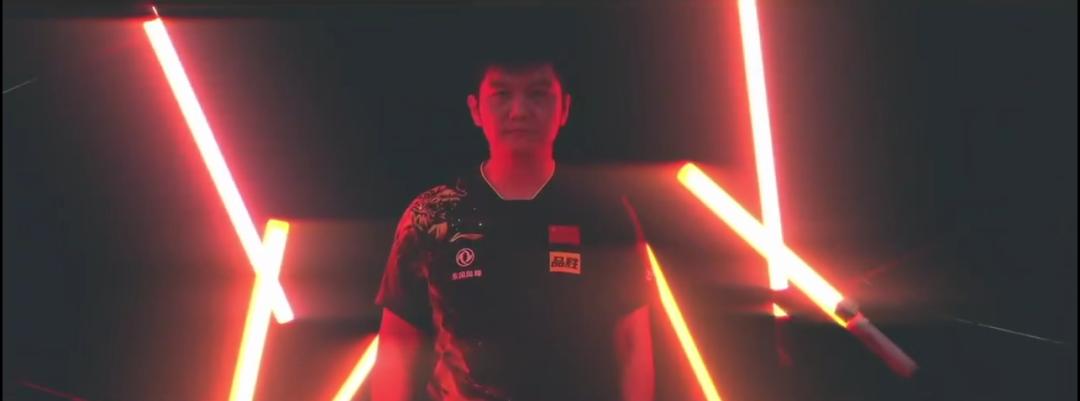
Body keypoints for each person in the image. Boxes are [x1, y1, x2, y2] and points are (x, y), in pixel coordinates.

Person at [371, 51, 654, 401]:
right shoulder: (433, 215)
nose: (519, 110)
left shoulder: (604, 214)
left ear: (564, 108)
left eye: (537, 94)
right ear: (476, 109)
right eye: (502, 94)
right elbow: (396, 350)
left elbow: (633, 346)